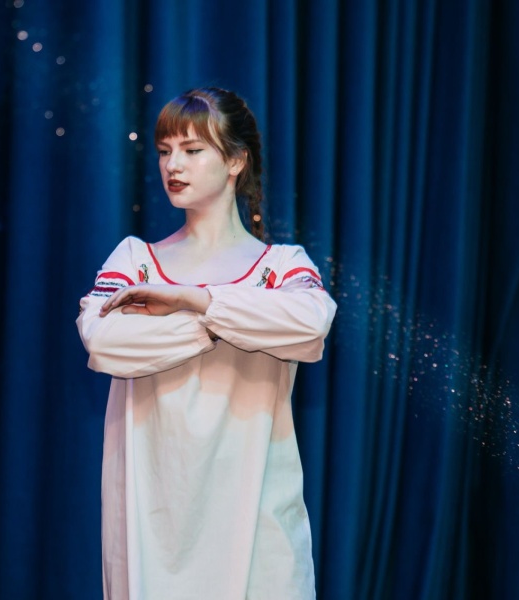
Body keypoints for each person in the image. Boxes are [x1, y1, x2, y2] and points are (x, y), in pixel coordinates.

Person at [76, 87, 336, 600]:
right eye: (165, 151)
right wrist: (221, 321)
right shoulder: (134, 260)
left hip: (257, 518)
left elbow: (310, 325)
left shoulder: (283, 266)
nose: (173, 165)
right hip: (153, 522)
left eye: (193, 150)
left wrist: (191, 300)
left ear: (236, 160)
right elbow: (104, 342)